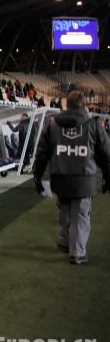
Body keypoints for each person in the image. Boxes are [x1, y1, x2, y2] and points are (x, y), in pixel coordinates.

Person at [33, 91, 110, 265]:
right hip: (85, 179)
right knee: (81, 215)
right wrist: (108, 177)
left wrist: (37, 176)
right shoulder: (94, 125)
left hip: (60, 178)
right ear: (84, 105)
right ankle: (77, 253)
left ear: (66, 105)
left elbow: (41, 153)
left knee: (64, 211)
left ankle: (64, 242)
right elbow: (106, 155)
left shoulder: (52, 125)